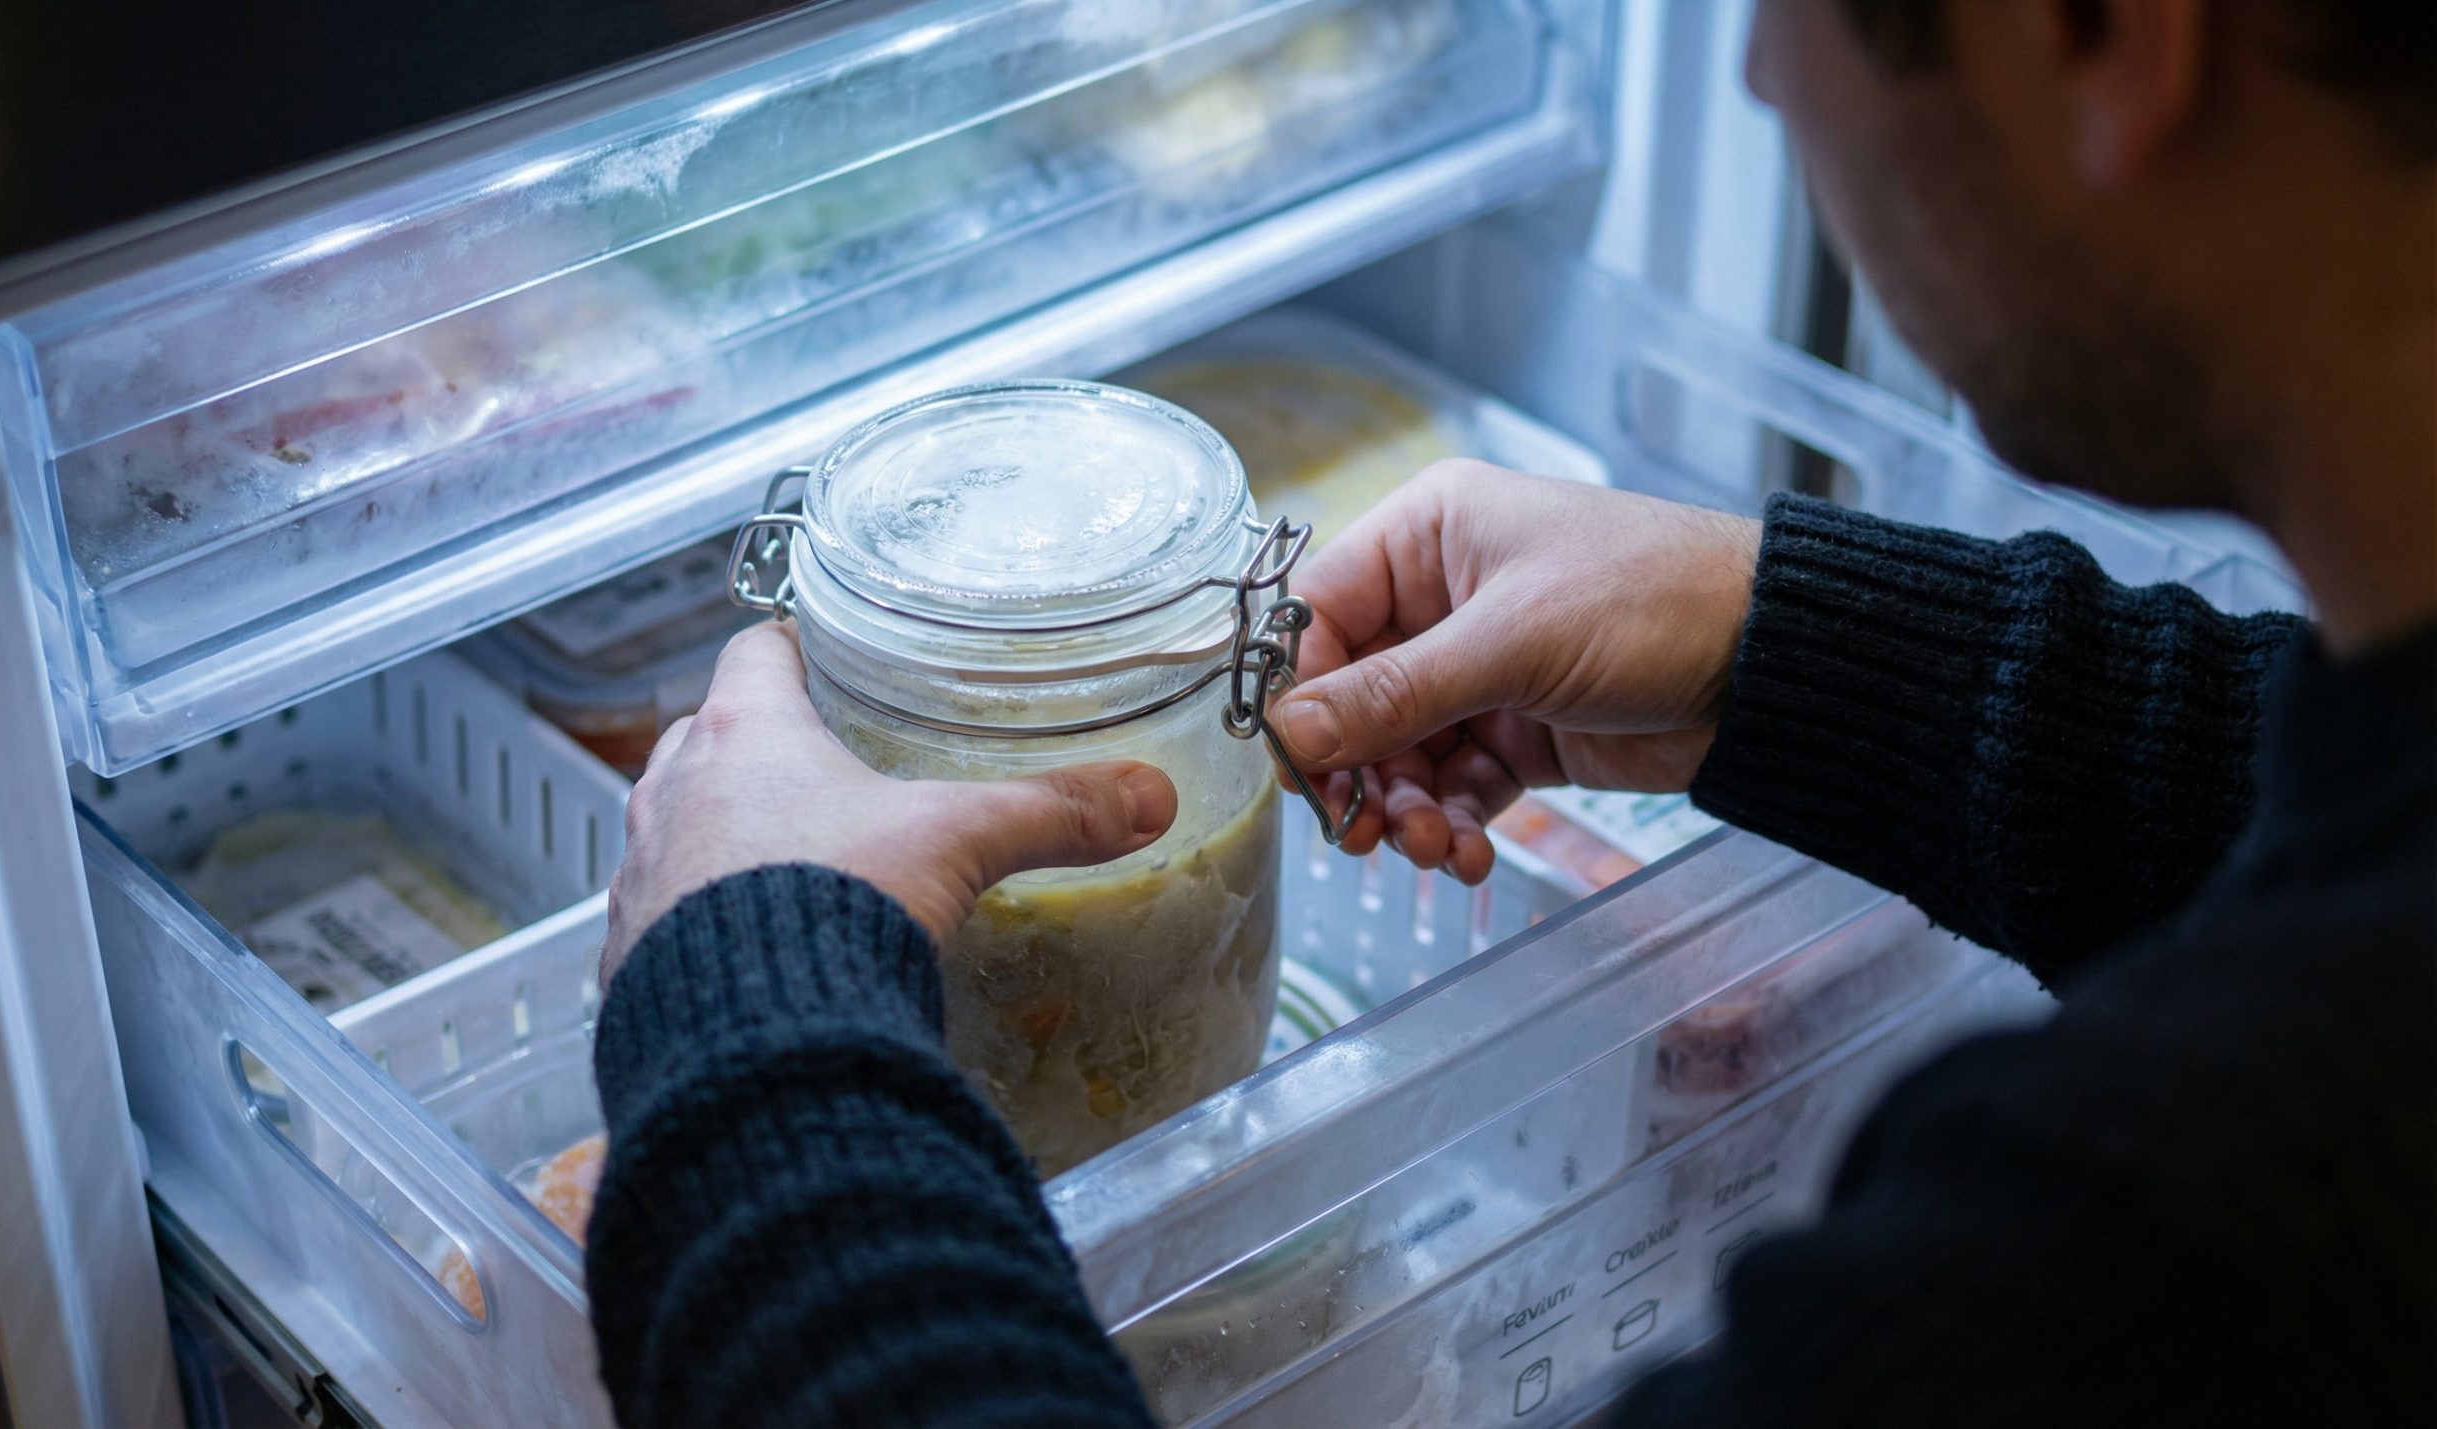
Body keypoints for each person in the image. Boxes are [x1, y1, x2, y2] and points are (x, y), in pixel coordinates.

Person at [586, 0, 2434, 1423]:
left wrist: (752, 1027)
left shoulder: (2164, 1244)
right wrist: (1791, 647)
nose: (1766, 87)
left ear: (2102, 32)